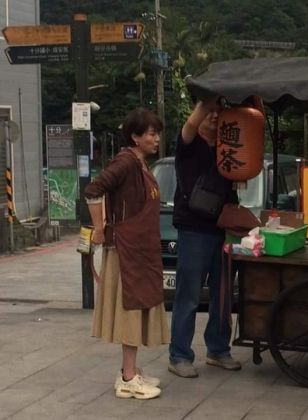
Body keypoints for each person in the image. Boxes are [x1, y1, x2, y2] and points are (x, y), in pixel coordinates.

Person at [85, 108, 169, 400]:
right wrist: (99, 228)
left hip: (140, 250)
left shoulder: (140, 163)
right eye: (151, 134)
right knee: (131, 311)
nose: (156, 139)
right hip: (127, 252)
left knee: (139, 307)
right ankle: (128, 378)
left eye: (157, 134)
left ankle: (130, 371)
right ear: (135, 136)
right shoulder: (125, 161)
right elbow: (94, 189)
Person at [168, 99, 241, 378]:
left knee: (223, 295)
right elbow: (190, 124)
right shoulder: (188, 144)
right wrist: (208, 98)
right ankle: (179, 355)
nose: (214, 116)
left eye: (218, 113)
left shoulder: (227, 148)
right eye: (209, 112)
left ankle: (218, 349)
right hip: (193, 229)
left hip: (223, 228)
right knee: (188, 295)